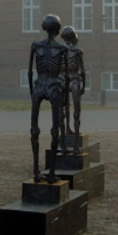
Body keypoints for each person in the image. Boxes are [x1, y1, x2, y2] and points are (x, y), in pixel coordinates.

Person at [27, 14, 69, 183]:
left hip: (39, 86)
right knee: (55, 128)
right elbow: (64, 76)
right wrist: (64, 98)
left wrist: (32, 93)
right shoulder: (61, 49)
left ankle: (36, 171)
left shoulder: (36, 46)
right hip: (53, 86)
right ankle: (51, 172)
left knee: (34, 129)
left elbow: (30, 72)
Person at [61, 26, 86, 152]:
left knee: (64, 108)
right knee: (76, 110)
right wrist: (84, 86)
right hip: (74, 79)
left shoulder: (60, 50)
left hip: (63, 79)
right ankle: (75, 144)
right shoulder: (77, 51)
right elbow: (83, 70)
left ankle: (66, 133)